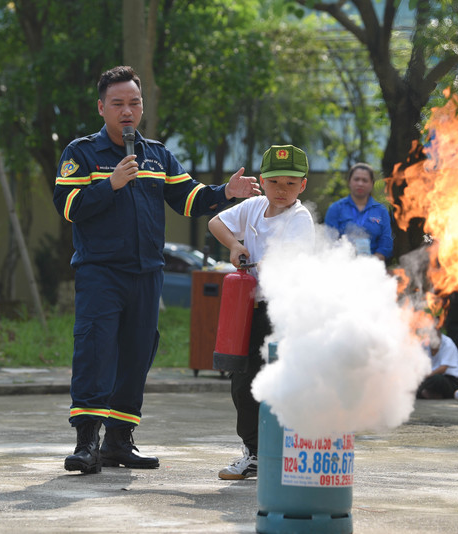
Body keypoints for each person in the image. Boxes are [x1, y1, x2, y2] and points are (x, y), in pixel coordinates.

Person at [53, 66, 260, 474]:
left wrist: (225, 193)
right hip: (101, 273)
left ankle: (119, 442)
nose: (127, 111)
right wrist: (109, 183)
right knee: (95, 350)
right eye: (118, 104)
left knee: (136, 354)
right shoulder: (80, 153)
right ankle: (86, 444)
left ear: (142, 106)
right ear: (101, 108)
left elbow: (188, 198)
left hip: (147, 274)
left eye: (134, 102)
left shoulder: (156, 154)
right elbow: (68, 207)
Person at [208, 144, 315, 480]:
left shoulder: (300, 218)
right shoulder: (253, 207)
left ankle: (287, 453)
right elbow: (215, 222)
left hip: (282, 313)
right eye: (274, 182)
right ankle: (253, 452)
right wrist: (235, 245)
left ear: (303, 186)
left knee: (280, 382)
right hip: (247, 311)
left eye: (289, 183)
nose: (281, 190)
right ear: (262, 182)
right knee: (243, 381)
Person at [323, 162, 393, 261]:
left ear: (372, 184)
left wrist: (372, 263)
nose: (360, 183)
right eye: (356, 179)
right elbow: (329, 241)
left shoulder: (381, 211)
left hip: (373, 267)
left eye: (365, 180)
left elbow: (386, 243)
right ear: (349, 182)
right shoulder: (335, 209)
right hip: (342, 265)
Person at [417, 329, 458, 399]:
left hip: (448, 380)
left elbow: (443, 368)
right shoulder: (424, 344)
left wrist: (426, 376)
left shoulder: (448, 344)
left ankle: (422, 392)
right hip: (427, 378)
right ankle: (428, 393)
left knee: (437, 379)